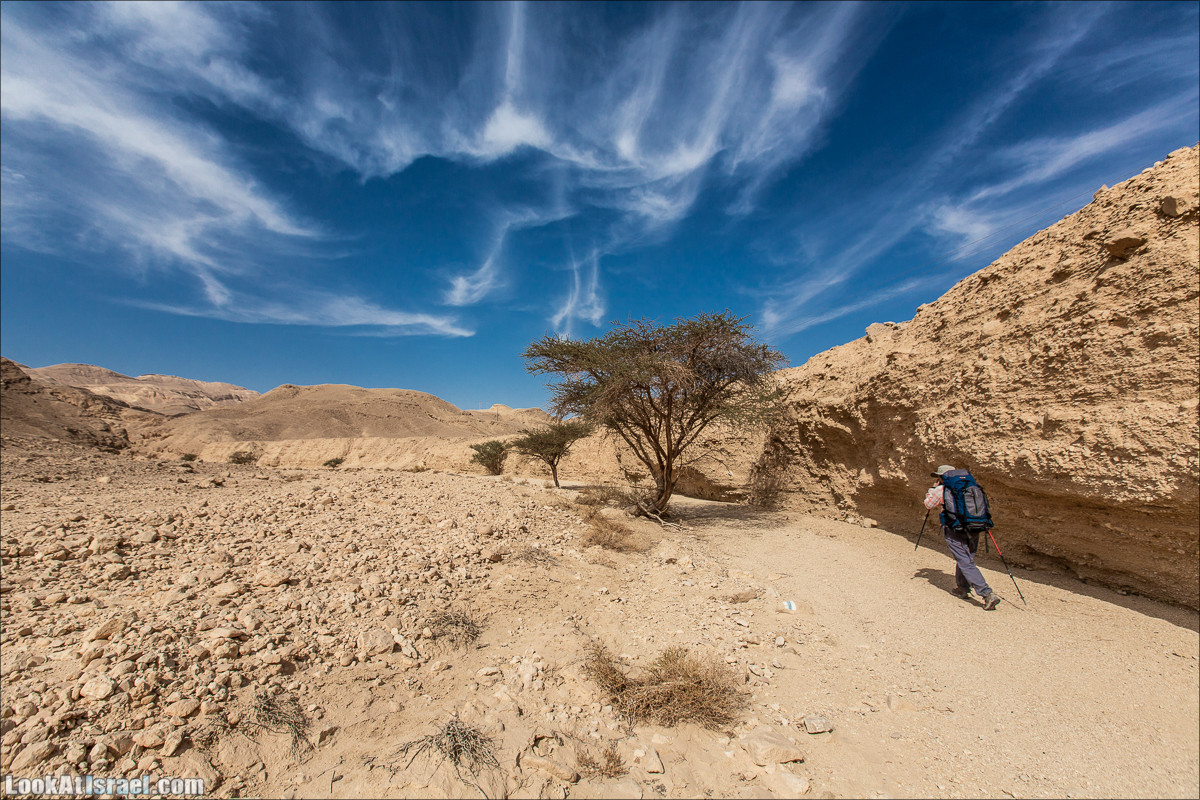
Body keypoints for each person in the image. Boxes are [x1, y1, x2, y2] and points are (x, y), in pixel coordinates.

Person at [924, 465, 1000, 610]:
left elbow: (928, 504)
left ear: (943, 476)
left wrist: (932, 490)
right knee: (966, 559)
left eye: (939, 476)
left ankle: (987, 593)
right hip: (974, 527)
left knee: (964, 561)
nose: (938, 479)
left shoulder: (942, 489)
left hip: (954, 529)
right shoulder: (971, 486)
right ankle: (962, 588)